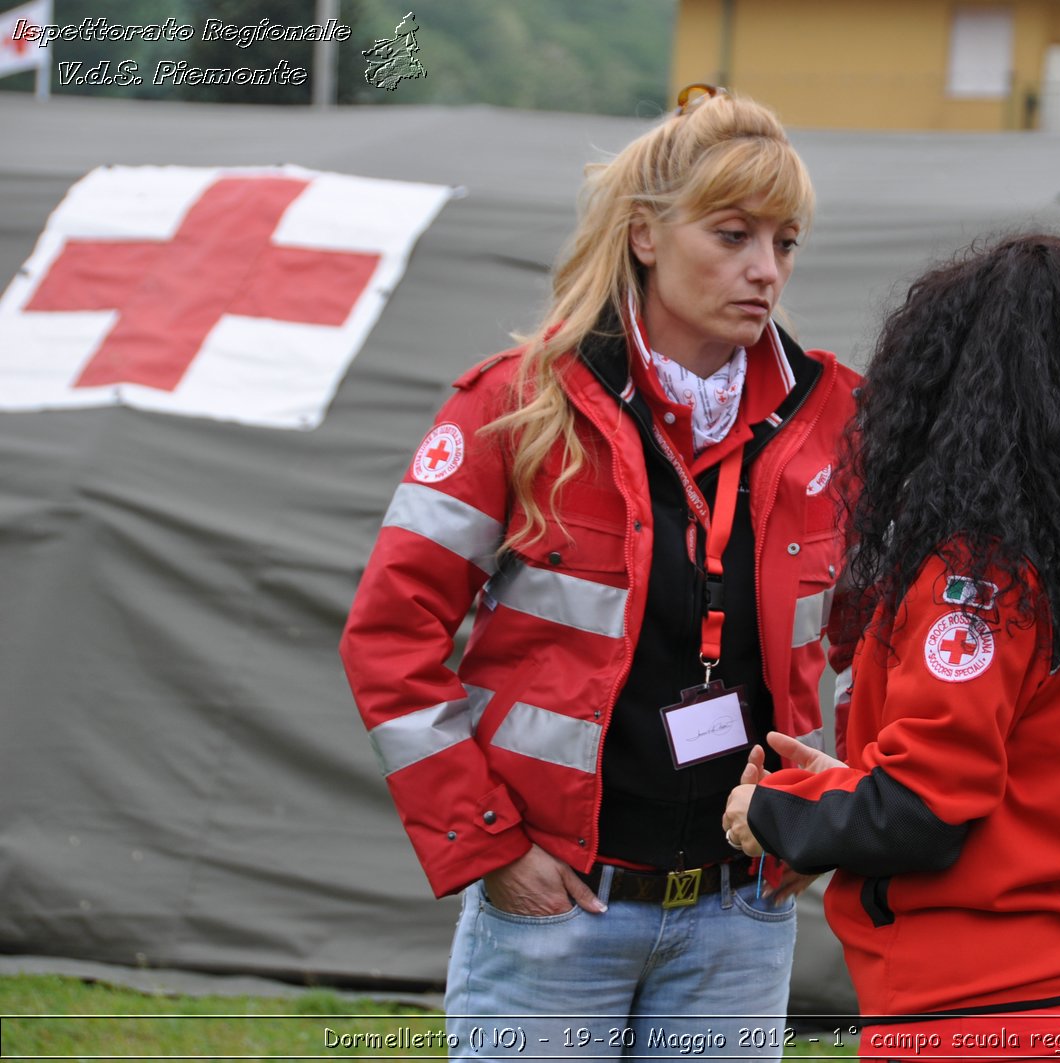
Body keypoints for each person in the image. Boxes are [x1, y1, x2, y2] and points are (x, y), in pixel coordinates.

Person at [339, 85, 858, 1059]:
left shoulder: (838, 417)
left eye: (784, 243)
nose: (764, 271)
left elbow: (883, 637)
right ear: (645, 235)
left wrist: (830, 814)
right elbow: (387, 637)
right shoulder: (513, 406)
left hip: (740, 916)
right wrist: (487, 846)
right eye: (733, 233)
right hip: (554, 911)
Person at [723, 233, 1060, 1060]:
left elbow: (926, 810)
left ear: (945, 396)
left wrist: (771, 812)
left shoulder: (977, 583)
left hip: (973, 1022)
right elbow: (1037, 786)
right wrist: (852, 783)